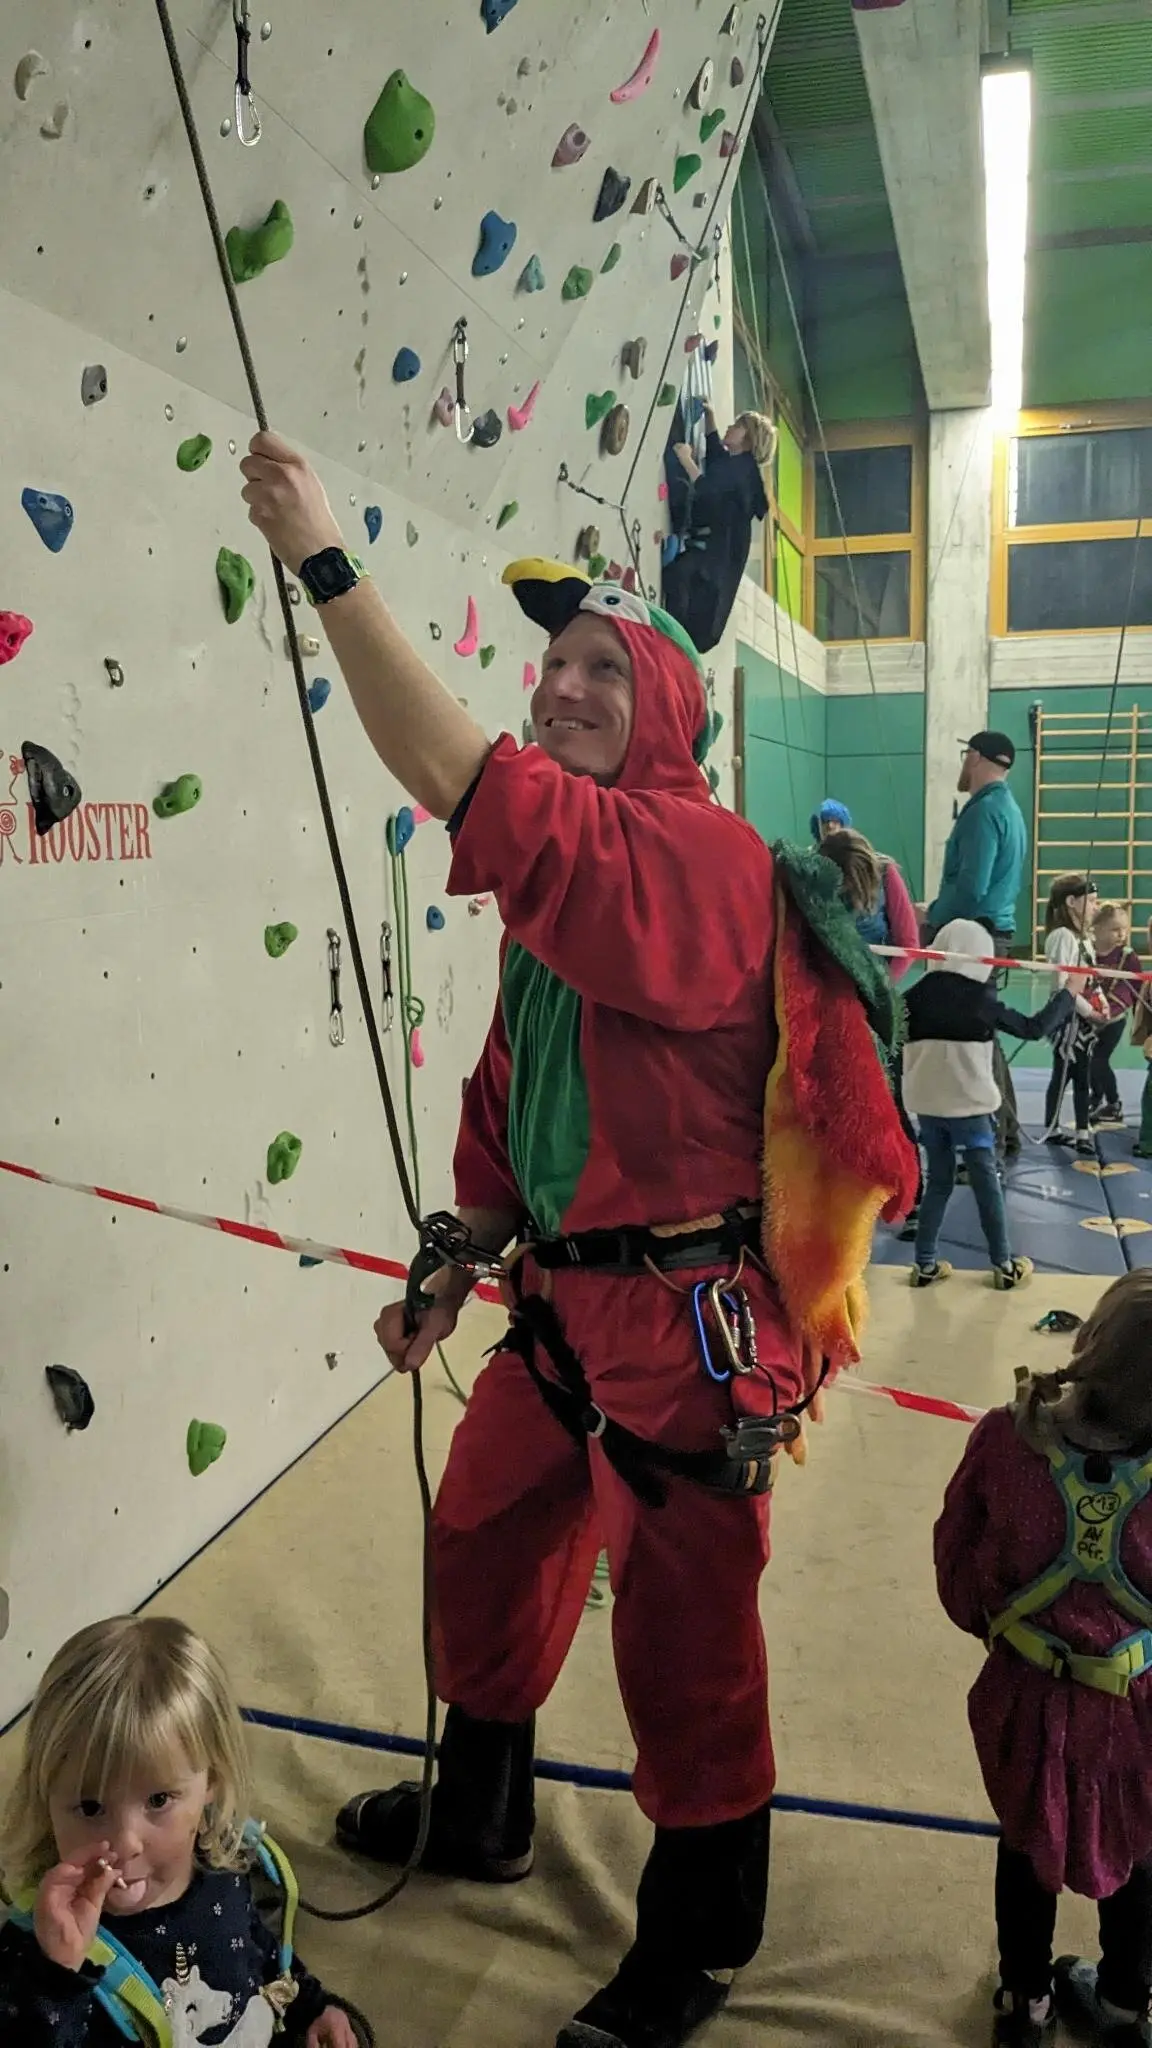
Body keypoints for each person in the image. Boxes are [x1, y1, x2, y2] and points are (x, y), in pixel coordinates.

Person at [238, 430, 918, 2048]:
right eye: (549, 665)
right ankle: (483, 1807)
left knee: (685, 1642)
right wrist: (456, 1259)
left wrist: (328, 561)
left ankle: (699, 1929)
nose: (557, 687)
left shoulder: (687, 857)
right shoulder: (569, 909)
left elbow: (470, 788)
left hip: (684, 1335)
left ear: (670, 709)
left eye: (600, 668)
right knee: (480, 1535)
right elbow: (507, 1100)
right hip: (562, 1307)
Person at [934, 1270, 1152, 2047]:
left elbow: (957, 1556)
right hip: (1140, 1706)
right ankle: (1128, 2000)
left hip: (1027, 1693)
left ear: (1088, 1343)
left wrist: (991, 1622)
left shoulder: (1004, 1436)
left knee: (1027, 1838)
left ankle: (1024, 2001)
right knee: (1141, 1842)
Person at [0, 1616, 361, 2047]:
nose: (125, 1843)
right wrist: (56, 1974)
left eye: (158, 1801)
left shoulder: (220, 1866)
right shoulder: (35, 1949)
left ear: (212, 1781)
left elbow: (254, 1947)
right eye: (91, 1807)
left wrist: (311, 2005)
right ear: (45, 1796)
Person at [901, 918, 1072, 1290]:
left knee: (938, 1183)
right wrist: (1069, 994)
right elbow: (1033, 1028)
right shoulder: (980, 998)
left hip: (928, 1108)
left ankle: (924, 1263)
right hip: (971, 1108)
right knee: (986, 1183)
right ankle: (1004, 1264)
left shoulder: (911, 997)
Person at [923, 732, 1029, 1163]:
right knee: (983, 1036)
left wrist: (931, 916)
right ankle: (1003, 1134)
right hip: (991, 929)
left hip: (975, 933)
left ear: (977, 758)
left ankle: (993, 1140)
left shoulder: (984, 813)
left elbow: (971, 886)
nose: (963, 763)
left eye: (966, 755)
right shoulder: (1008, 809)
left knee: (976, 1037)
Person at [660, 405, 773, 654]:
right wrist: (710, 420)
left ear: (747, 438)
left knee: (677, 577)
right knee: (679, 577)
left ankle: (671, 638)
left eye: (737, 426)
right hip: (712, 556)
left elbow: (709, 489)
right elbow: (717, 461)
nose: (730, 428)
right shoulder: (741, 469)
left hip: (711, 561)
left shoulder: (743, 473)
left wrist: (685, 458)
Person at [1044, 874, 1107, 1156]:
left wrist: (1102, 1003)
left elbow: (1090, 978)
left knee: (1082, 1074)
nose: (1095, 907)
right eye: (1091, 901)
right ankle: (1055, 1128)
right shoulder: (1062, 937)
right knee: (1066, 1074)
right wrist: (1089, 1010)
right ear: (1071, 902)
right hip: (1067, 1019)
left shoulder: (1085, 939)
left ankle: (1082, 1130)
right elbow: (1063, 983)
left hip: (1082, 1017)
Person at [817, 826, 919, 983]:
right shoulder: (817, 879)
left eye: (849, 880)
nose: (845, 887)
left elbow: (908, 944)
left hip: (875, 977)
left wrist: (882, 986)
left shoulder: (886, 874)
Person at [1090, 902, 1143, 1128]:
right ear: (1098, 928)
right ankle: (1096, 1097)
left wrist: (1112, 1010)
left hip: (1114, 1020)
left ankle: (1113, 1103)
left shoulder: (1128, 957)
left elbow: (1132, 990)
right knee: (1090, 1060)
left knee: (1099, 1059)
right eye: (1115, 929)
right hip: (1088, 1017)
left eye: (1124, 929)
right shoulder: (1087, 951)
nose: (1121, 934)